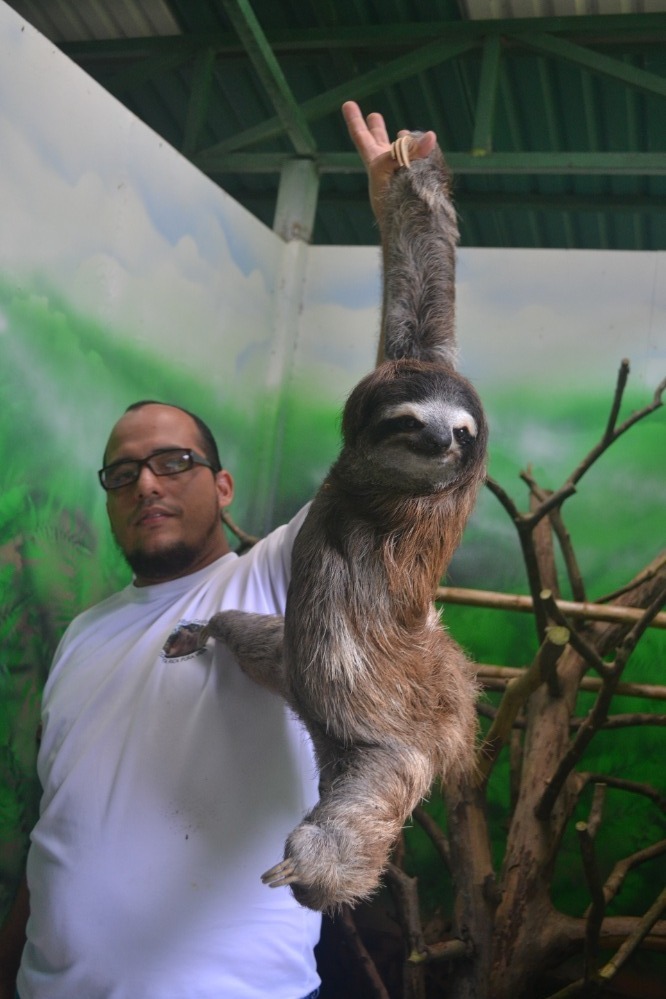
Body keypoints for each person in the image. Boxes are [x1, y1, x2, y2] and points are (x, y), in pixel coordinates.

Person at [0, 103, 437, 999]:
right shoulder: (81, 636)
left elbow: (403, 435)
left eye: (174, 462)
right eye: (123, 472)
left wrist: (407, 220)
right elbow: (58, 834)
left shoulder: (279, 578)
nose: (147, 484)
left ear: (223, 486)